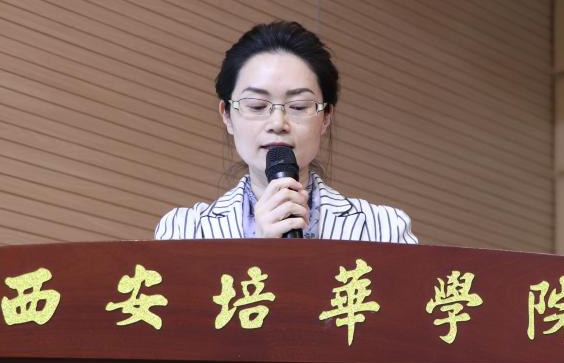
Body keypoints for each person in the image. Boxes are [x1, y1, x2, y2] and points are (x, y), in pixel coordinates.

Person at [154, 21, 418, 243]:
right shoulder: (185, 230)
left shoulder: (384, 229)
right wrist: (259, 251)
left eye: (298, 106)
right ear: (227, 115)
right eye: (257, 106)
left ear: (326, 117)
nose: (278, 122)